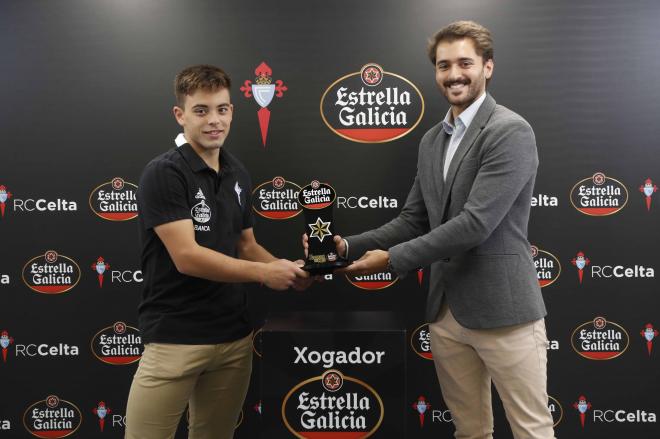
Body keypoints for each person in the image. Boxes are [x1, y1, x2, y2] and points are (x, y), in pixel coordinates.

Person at [312, 20, 555, 439]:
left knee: (531, 430)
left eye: (465, 63)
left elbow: (475, 224)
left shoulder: (509, 131)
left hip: (504, 313)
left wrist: (391, 260)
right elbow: (413, 219)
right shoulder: (431, 142)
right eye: (444, 66)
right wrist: (345, 245)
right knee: (469, 431)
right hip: (446, 314)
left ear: (488, 67)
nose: (454, 74)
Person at [126, 64, 310, 439]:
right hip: (175, 338)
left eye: (222, 109)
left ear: (231, 111)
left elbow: (247, 245)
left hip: (233, 340)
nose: (214, 120)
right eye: (201, 110)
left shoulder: (237, 171)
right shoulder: (164, 172)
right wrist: (264, 275)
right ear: (180, 115)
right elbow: (187, 256)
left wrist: (288, 270)